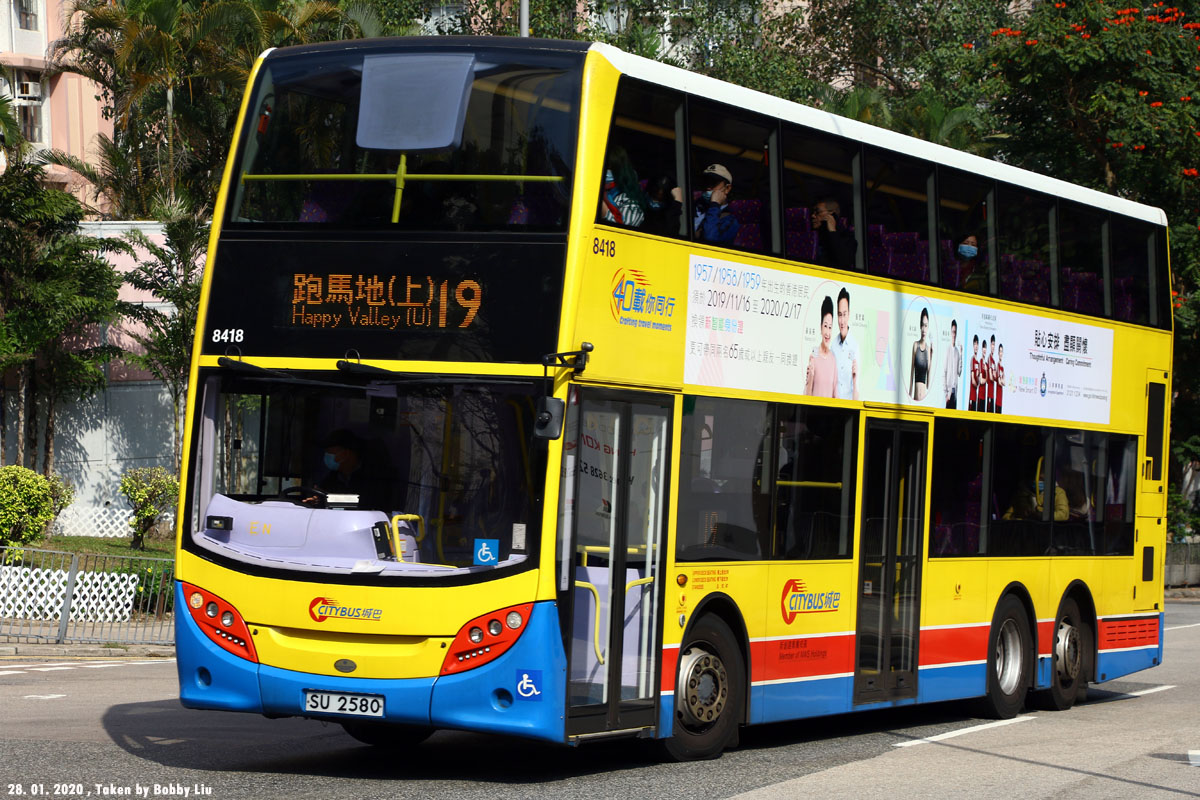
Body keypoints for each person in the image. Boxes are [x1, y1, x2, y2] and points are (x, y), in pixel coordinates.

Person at [315, 429, 394, 512]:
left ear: (346, 454)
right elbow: (323, 498)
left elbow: (371, 507)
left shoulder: (374, 479)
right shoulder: (332, 478)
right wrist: (318, 499)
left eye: (330, 452)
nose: (327, 456)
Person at [599, 145, 648, 228]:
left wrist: (599, 200)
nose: (606, 172)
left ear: (620, 171)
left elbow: (621, 229)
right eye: (603, 167)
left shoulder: (631, 203)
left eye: (610, 168)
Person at [694, 164, 739, 243]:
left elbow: (710, 239)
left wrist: (714, 205)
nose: (708, 187)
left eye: (713, 183)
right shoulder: (695, 205)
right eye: (706, 182)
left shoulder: (730, 221)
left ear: (727, 188)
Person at [805, 296, 839, 398]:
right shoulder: (814, 354)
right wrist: (810, 376)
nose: (828, 333)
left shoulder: (833, 359)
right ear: (820, 327)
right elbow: (807, 395)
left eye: (830, 327)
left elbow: (835, 395)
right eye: (825, 326)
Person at [831, 287, 859, 400]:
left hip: (849, 407)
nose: (842, 321)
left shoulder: (855, 346)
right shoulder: (833, 346)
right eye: (839, 315)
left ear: (849, 314)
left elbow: (857, 388)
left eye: (844, 314)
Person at [812, 198, 857, 269]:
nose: (813, 216)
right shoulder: (810, 236)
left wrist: (832, 231)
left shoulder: (847, 238)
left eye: (818, 212)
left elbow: (844, 262)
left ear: (832, 215)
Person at [909, 308, 933, 401]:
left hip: (924, 399)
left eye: (926, 326)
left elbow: (928, 384)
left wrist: (932, 356)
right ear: (920, 326)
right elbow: (911, 373)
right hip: (915, 398)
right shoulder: (915, 345)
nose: (924, 329)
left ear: (928, 327)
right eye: (922, 325)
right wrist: (909, 395)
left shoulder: (928, 349)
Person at [944, 319, 962, 409]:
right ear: (950, 332)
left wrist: (961, 355)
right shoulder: (947, 350)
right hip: (949, 393)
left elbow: (959, 372)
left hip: (955, 393)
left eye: (955, 332)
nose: (954, 334)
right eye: (953, 332)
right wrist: (946, 394)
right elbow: (944, 372)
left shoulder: (957, 352)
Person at [968, 334, 980, 411]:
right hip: (972, 397)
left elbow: (978, 380)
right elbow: (973, 380)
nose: (976, 346)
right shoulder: (972, 359)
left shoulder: (978, 363)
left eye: (977, 344)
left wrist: (978, 377)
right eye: (974, 344)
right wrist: (977, 385)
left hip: (976, 397)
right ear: (973, 346)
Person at [987, 334, 998, 413]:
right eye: (992, 344)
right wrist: (996, 377)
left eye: (994, 345)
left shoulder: (994, 361)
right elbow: (991, 377)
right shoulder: (989, 358)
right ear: (990, 345)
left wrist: (995, 376)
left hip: (993, 394)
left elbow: (995, 375)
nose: (993, 347)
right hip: (989, 395)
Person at [995, 343, 1005, 414]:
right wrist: (1001, 381)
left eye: (1002, 351)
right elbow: (999, 382)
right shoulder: (998, 365)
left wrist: (1002, 381)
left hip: (1001, 401)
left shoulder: (1002, 368)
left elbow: (1004, 382)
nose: (1001, 353)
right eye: (1000, 351)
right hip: (997, 401)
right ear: (998, 353)